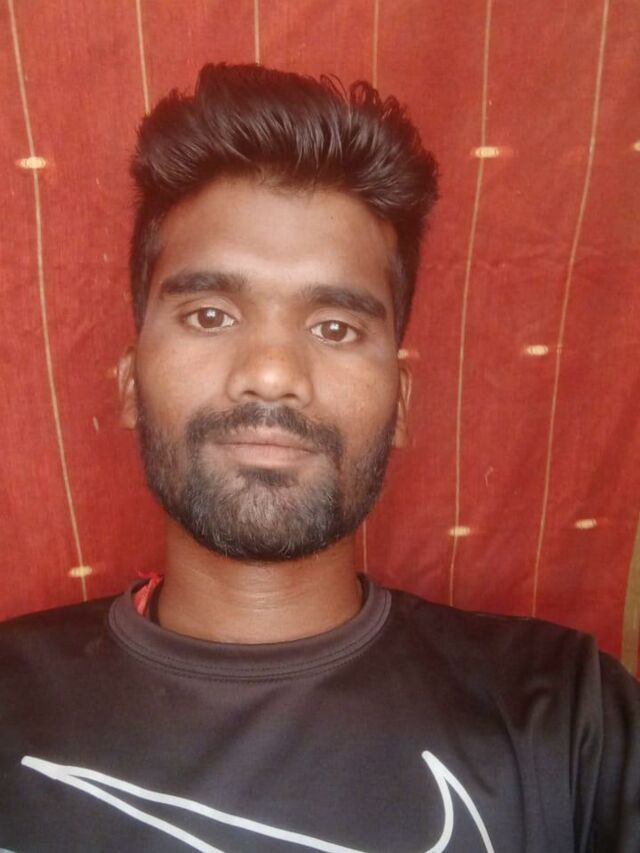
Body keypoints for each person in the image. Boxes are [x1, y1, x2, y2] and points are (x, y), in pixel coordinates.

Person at [0, 63, 638, 853]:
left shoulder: (568, 719)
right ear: (131, 383)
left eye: (335, 328)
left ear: (402, 401)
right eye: (210, 314)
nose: (272, 373)